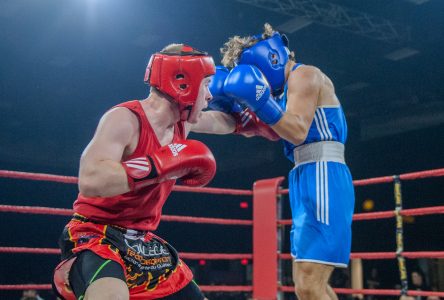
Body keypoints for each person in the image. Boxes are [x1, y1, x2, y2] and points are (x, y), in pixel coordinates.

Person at [195, 23, 355, 300]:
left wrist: (259, 101)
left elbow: (296, 130)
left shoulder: (304, 75)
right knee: (307, 283)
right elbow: (265, 130)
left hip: (323, 173)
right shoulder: (284, 94)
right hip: (304, 174)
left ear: (270, 58)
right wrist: (188, 118)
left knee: (308, 284)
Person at [52, 44, 218, 300]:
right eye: (206, 84)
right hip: (96, 236)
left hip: (143, 245)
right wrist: (156, 166)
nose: (209, 96)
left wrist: (265, 111)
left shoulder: (183, 125)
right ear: (183, 84)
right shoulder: (124, 119)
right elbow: (90, 179)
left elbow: (228, 122)